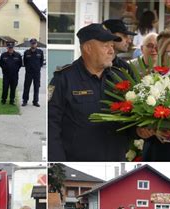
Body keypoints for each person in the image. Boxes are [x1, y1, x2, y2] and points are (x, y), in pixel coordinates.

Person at [48, 23, 135, 161]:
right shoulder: (64, 79)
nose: (111, 51)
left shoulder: (121, 78)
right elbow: (51, 126)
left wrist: (142, 131)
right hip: (77, 160)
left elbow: (130, 118)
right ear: (88, 48)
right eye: (105, 46)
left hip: (115, 159)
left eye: (112, 46)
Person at [22, 38, 44, 107]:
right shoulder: (26, 52)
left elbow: (41, 62)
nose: (33, 44)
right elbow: (25, 62)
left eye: (34, 43)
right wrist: (28, 68)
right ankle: (25, 101)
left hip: (37, 73)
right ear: (30, 44)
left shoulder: (40, 52)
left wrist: (37, 68)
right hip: (29, 73)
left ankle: (35, 101)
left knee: (36, 87)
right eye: (32, 43)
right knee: (26, 87)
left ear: (36, 44)